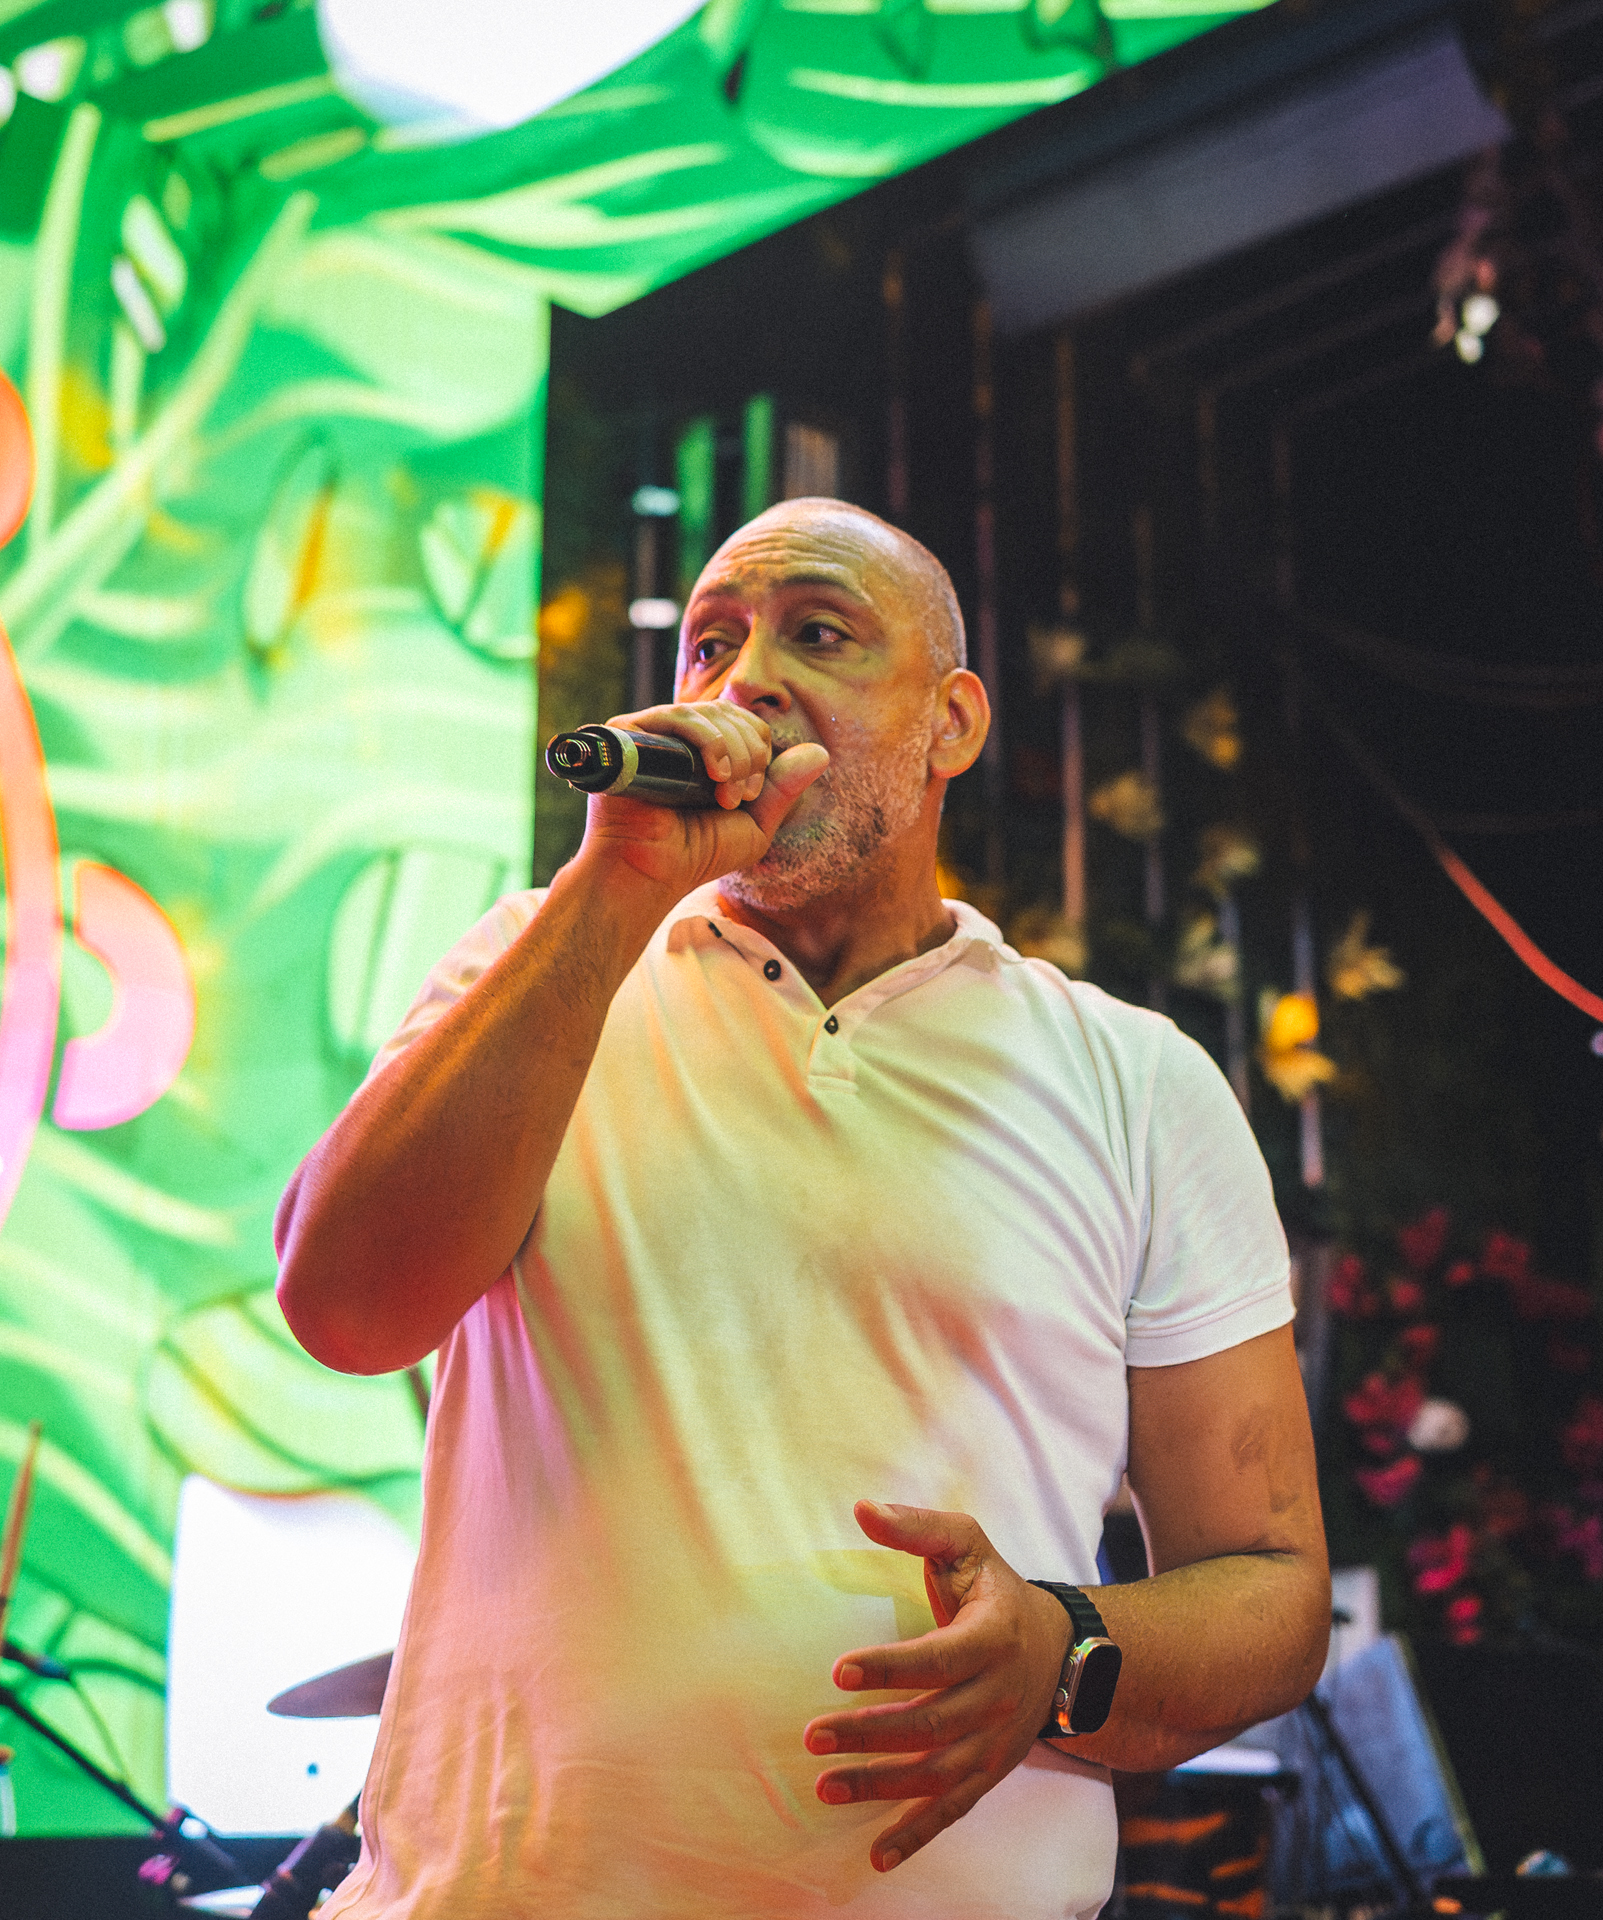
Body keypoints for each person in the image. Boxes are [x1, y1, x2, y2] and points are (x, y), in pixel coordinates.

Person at [276, 497, 1330, 1920]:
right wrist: (613, 890)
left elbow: (1269, 1590)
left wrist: (1060, 1653)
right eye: (711, 645)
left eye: (818, 635)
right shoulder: (540, 964)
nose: (746, 680)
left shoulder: (1134, 1083)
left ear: (951, 723)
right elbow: (343, 1307)